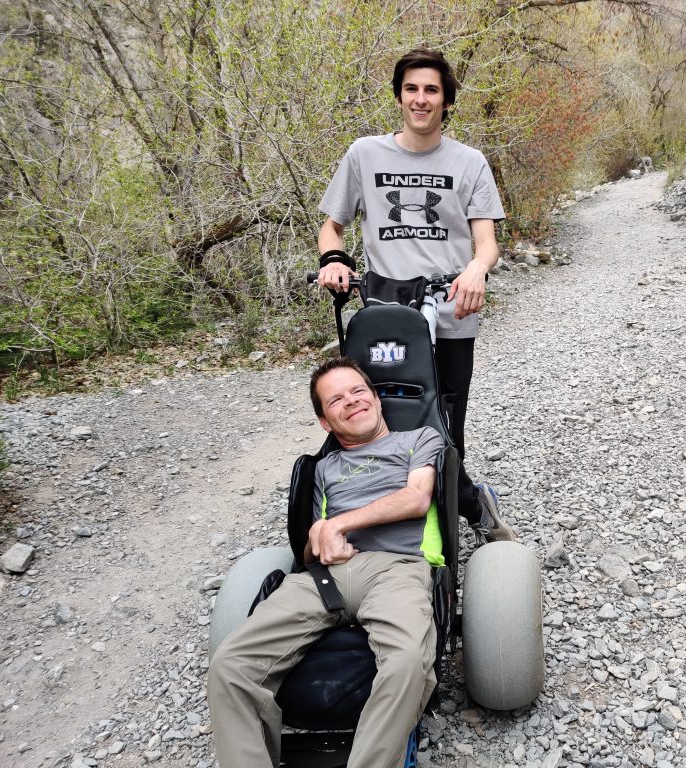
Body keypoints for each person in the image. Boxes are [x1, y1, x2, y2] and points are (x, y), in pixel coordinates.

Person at [315, 46, 515, 543]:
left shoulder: (470, 163)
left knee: (445, 423)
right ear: (399, 96)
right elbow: (331, 227)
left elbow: (486, 243)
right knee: (374, 418)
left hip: (451, 311)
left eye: (431, 90)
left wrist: (475, 271)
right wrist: (333, 260)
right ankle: (372, 513)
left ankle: (456, 515)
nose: (420, 100)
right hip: (384, 314)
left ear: (447, 100)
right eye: (411, 89)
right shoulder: (364, 154)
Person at [208, 357, 444, 768]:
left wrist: (338, 524)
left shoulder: (420, 439)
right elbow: (310, 544)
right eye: (336, 400)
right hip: (324, 578)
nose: (351, 402)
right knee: (230, 665)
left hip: (397, 567)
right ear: (324, 422)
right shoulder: (322, 468)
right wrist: (318, 539)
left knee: (407, 660)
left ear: (376, 398)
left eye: (358, 391)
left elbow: (416, 498)